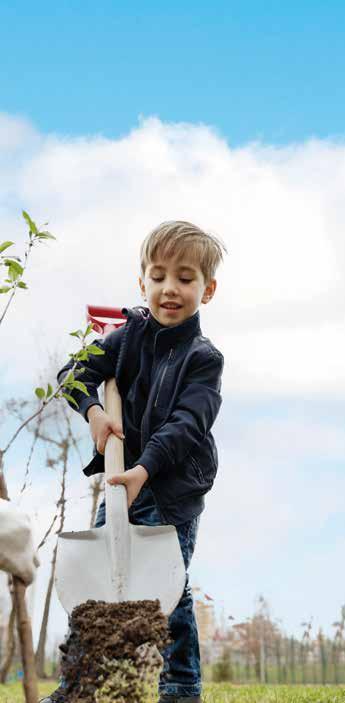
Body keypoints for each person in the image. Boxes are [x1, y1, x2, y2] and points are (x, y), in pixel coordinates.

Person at [42, 221, 226, 703]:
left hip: (171, 489)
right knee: (95, 584)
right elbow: (73, 374)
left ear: (207, 290)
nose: (170, 288)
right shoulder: (125, 339)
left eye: (185, 278)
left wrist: (145, 469)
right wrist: (94, 412)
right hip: (121, 482)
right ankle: (77, 687)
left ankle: (180, 688)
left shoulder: (204, 359)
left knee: (170, 589)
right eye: (158, 276)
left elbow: (187, 425)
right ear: (141, 282)